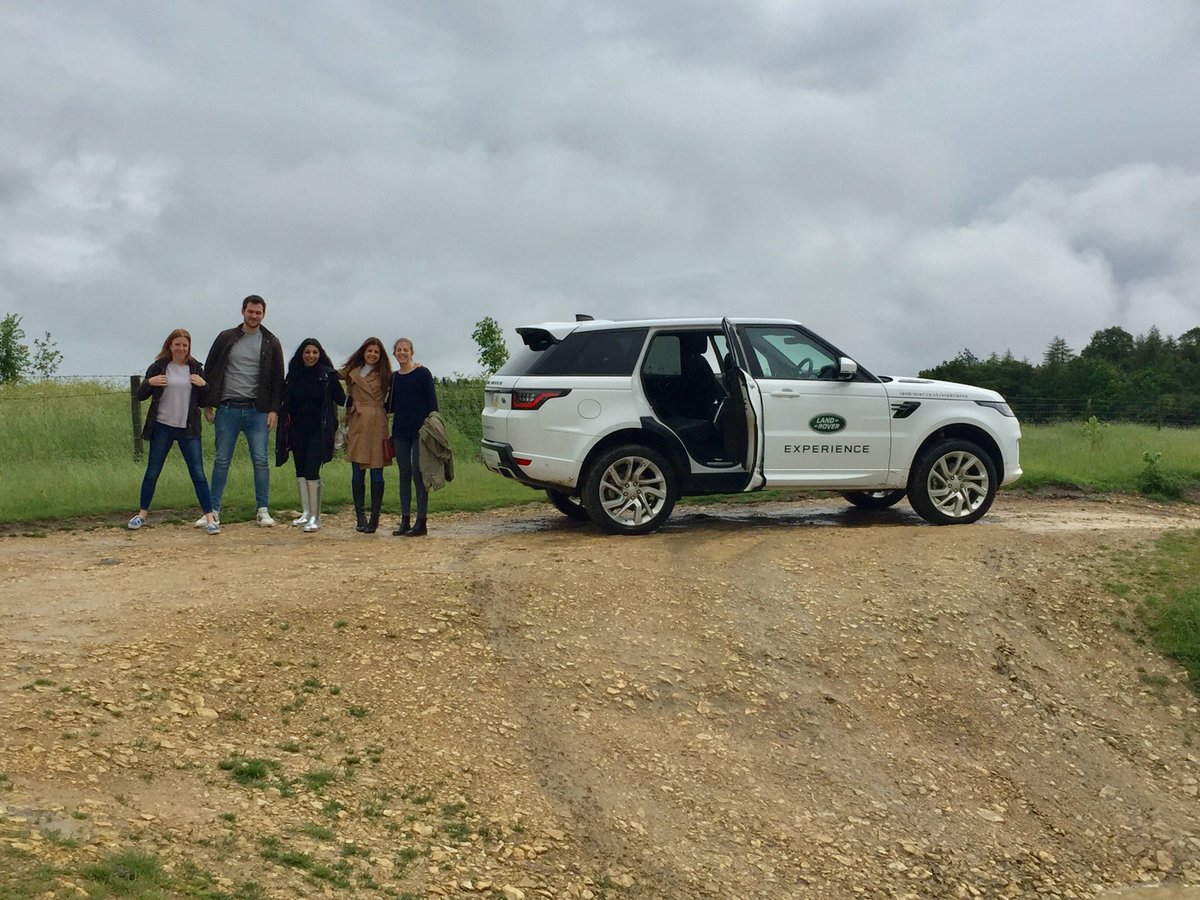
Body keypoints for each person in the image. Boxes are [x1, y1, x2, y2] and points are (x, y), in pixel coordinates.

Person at [196, 295, 285, 527]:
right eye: (250, 312)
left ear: (263, 314)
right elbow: (211, 369)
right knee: (222, 460)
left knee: (260, 460)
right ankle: (212, 511)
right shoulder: (227, 338)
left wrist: (274, 409)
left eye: (258, 312)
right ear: (243, 312)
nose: (254, 316)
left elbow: (278, 378)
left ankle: (263, 509)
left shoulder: (271, 341)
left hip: (258, 410)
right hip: (227, 408)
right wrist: (207, 402)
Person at [129, 329, 220, 535]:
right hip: (162, 426)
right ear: (170, 345)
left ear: (189, 347)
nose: (181, 348)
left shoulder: (196, 368)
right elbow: (141, 395)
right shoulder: (159, 367)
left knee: (198, 473)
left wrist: (204, 385)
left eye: (184, 345)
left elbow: (205, 400)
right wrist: (149, 383)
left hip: (188, 428)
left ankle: (210, 517)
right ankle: (141, 514)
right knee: (153, 471)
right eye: (177, 344)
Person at [277, 338, 346, 533]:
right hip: (297, 430)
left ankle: (316, 517)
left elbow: (341, 399)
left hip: (320, 430)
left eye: (315, 352)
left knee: (311, 470)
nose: (311, 356)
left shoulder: (327, 375)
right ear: (301, 354)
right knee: (299, 470)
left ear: (320, 354)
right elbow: (285, 400)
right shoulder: (294, 375)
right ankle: (306, 512)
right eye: (307, 352)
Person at [339, 337, 392, 533]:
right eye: (369, 351)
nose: (372, 355)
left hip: (377, 422)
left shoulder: (386, 375)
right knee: (357, 470)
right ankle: (360, 516)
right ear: (363, 352)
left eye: (376, 352)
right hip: (357, 422)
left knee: (377, 470)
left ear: (380, 356)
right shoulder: (351, 372)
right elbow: (327, 373)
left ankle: (375, 518)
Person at [386, 337, 439, 536]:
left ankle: (421, 521)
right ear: (394, 353)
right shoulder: (394, 378)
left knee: (419, 474)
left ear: (412, 352)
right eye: (398, 350)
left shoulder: (423, 373)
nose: (402, 353)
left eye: (405, 349)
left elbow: (433, 404)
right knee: (404, 475)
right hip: (400, 432)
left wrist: (432, 428)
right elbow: (389, 406)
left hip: (420, 432)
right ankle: (405, 520)